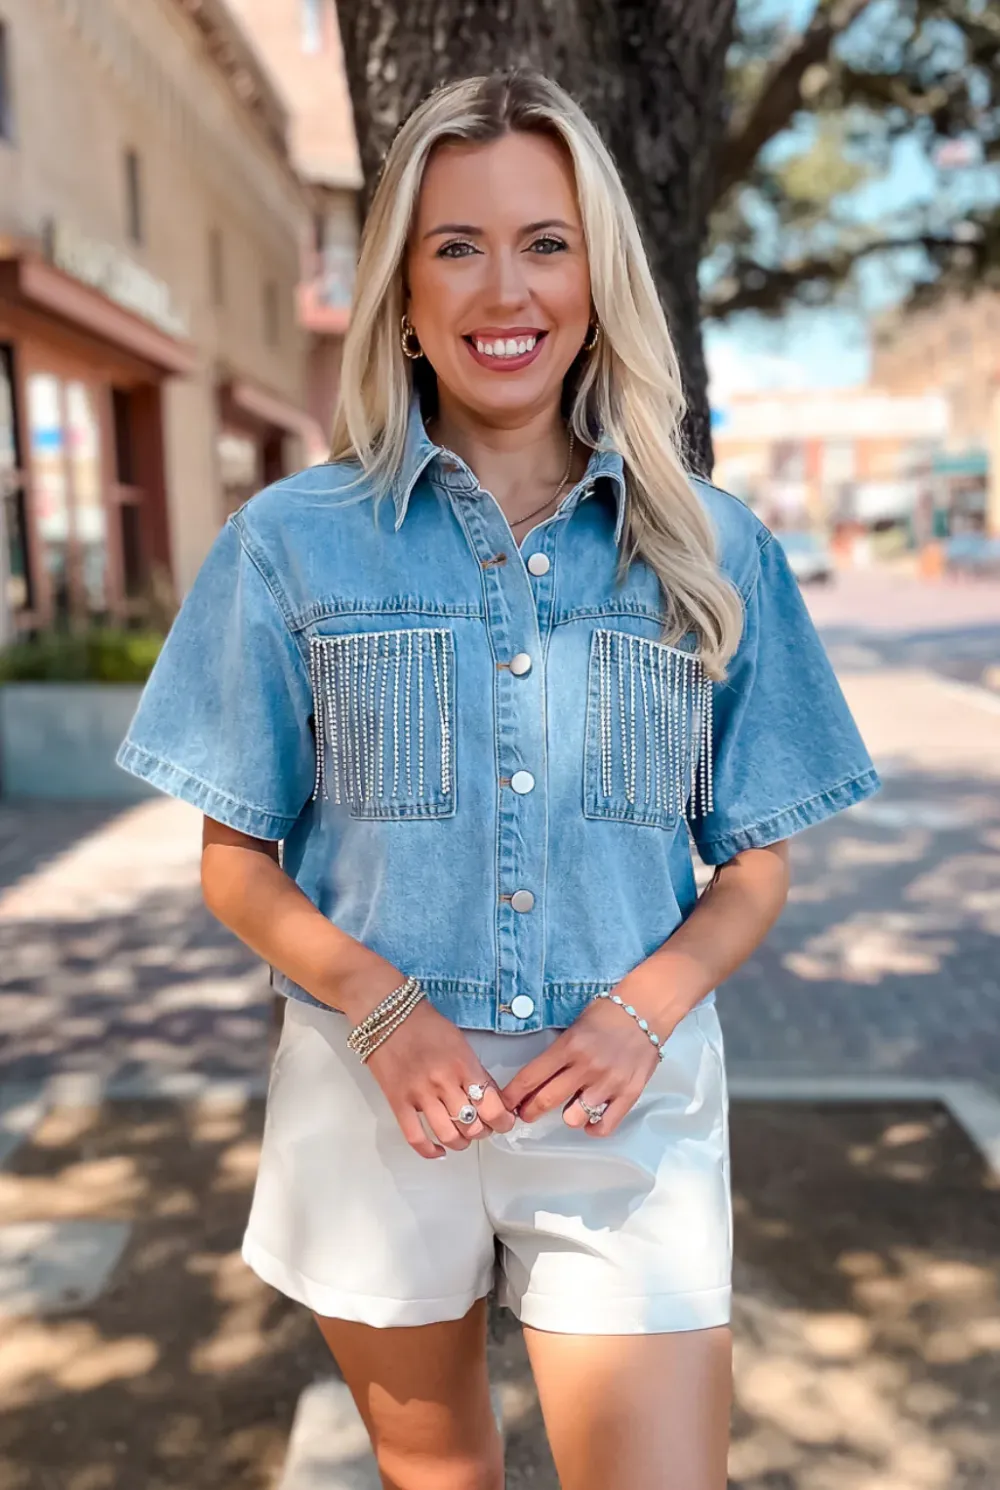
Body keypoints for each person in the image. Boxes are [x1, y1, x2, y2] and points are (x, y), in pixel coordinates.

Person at [117, 70, 879, 1490]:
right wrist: (383, 1006)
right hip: (373, 1097)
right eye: (455, 246)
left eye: (545, 241)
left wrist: (643, 1015)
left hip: (626, 1105)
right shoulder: (291, 546)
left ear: (597, 276)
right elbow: (235, 863)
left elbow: (756, 861)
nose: (501, 286)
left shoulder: (710, 551)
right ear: (403, 292)